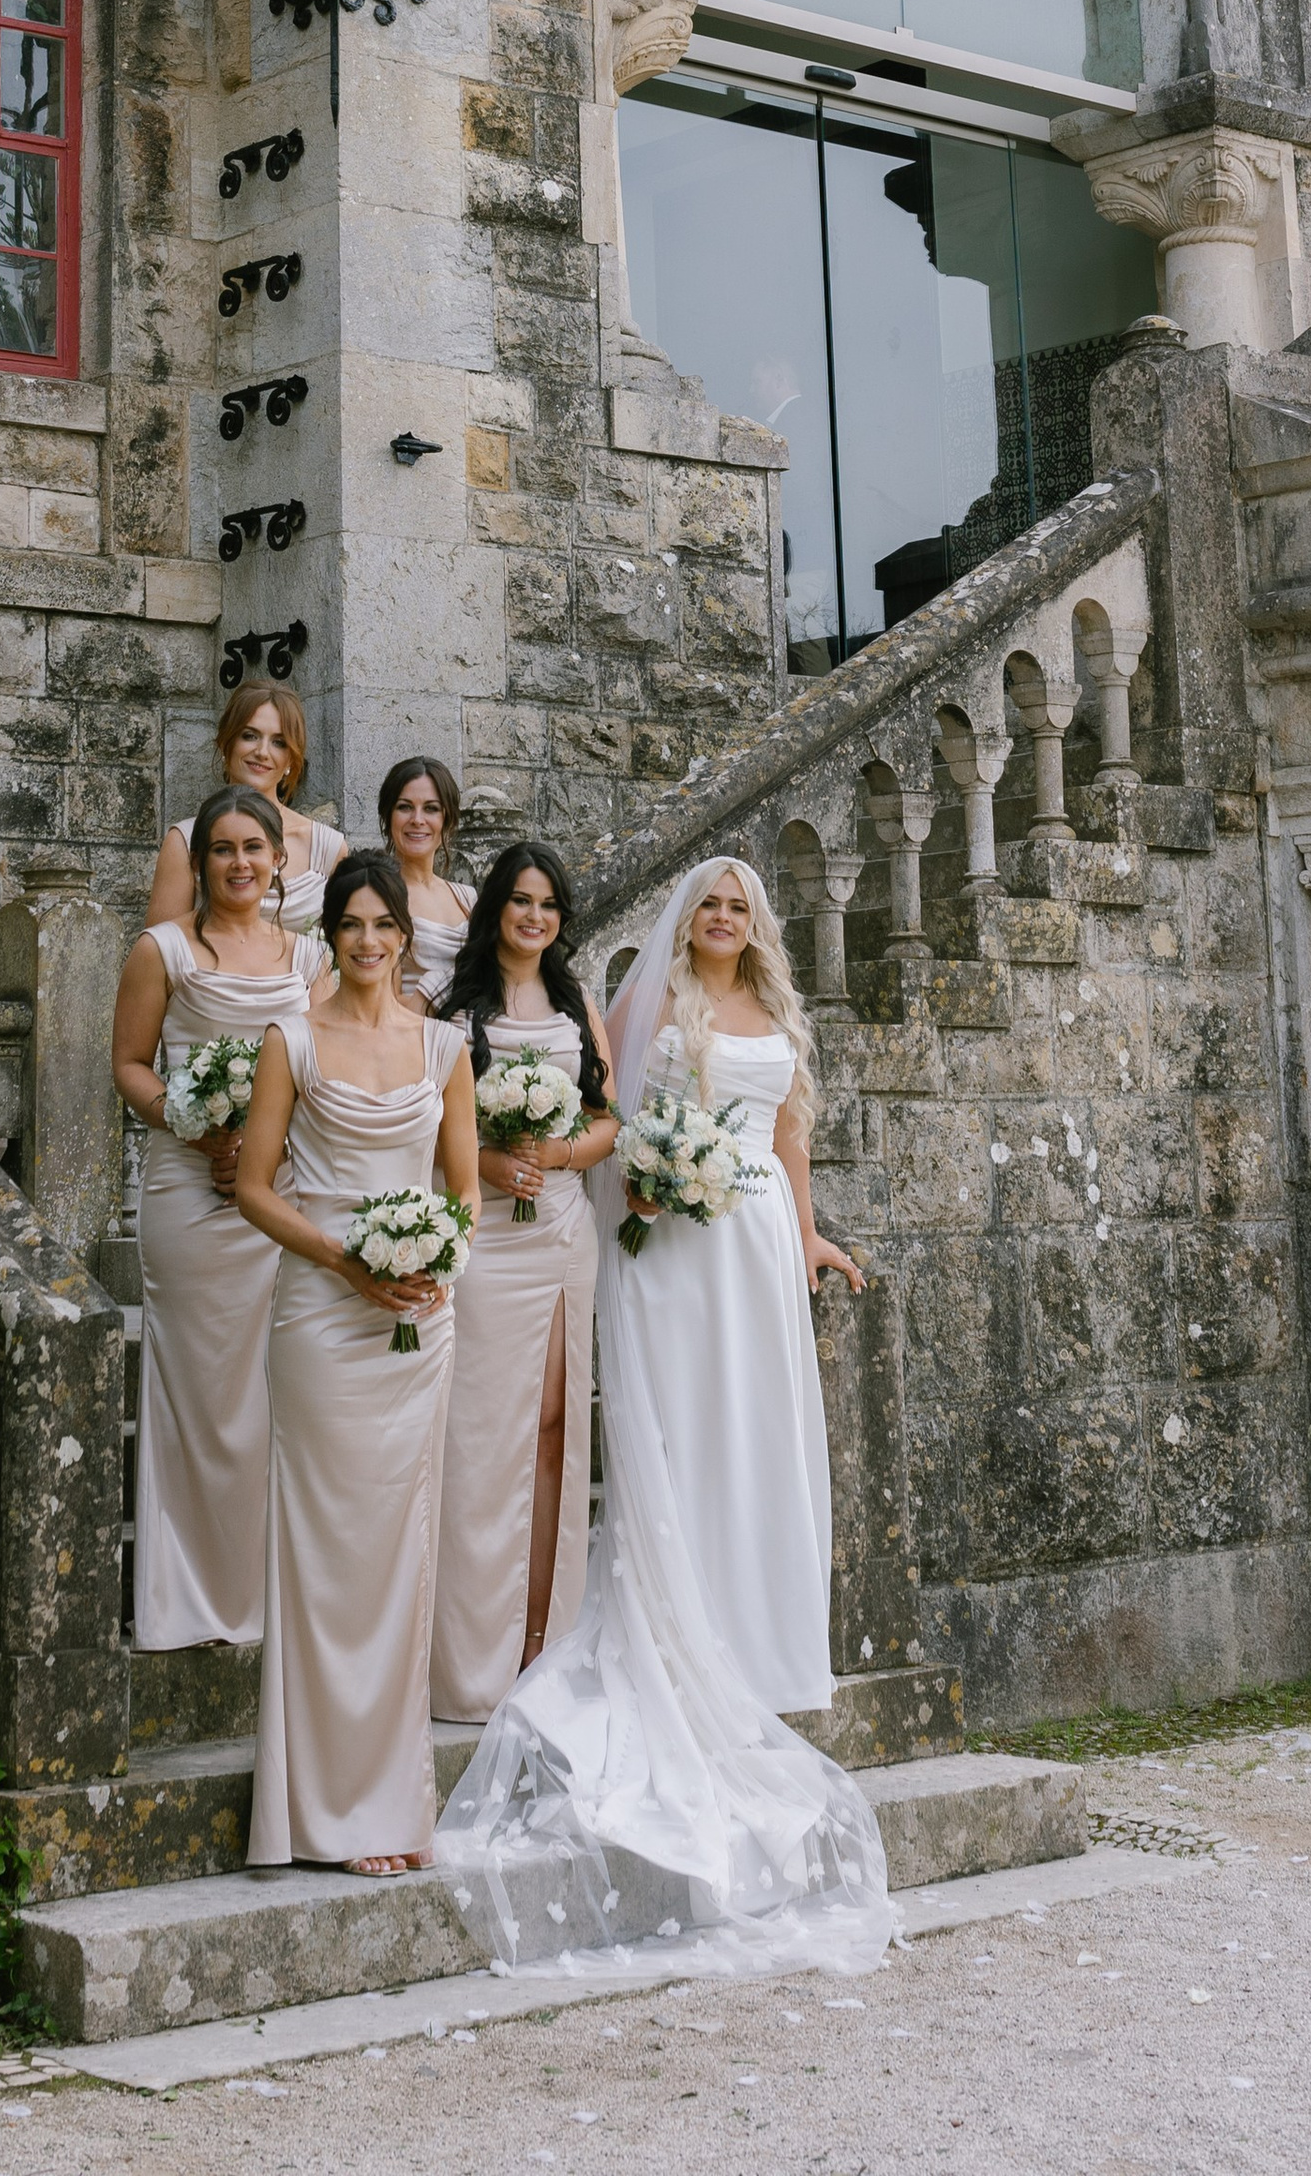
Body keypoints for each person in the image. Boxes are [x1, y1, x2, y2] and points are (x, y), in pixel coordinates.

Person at [436, 856, 890, 1980]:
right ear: (687, 922)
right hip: (674, 1249)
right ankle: (680, 1633)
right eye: (710, 907)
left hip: (755, 1255)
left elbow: (786, 1143)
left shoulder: (775, 1010)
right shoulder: (651, 999)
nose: (725, 919)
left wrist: (813, 1235)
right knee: (680, 1444)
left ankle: (756, 1635)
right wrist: (645, 1183)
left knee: (755, 1445)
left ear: (756, 922)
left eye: (740, 906)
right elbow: (619, 1123)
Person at [234, 848, 479, 1875]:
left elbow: (462, 1195)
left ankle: (388, 1805)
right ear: (329, 936)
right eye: (353, 926)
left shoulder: (443, 1049)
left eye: (386, 926)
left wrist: (427, 1264)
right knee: (325, 1552)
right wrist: (343, 1257)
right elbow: (254, 1187)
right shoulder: (290, 1039)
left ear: (404, 938)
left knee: (398, 1553)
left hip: (414, 1321)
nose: (372, 942)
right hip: (319, 1315)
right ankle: (321, 1811)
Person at [110, 788, 324, 1651]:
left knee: (276, 1392)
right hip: (189, 1196)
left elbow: (329, 1068)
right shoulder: (162, 950)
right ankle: (188, 1598)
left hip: (280, 1197)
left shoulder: (312, 961)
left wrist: (269, 1145)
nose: (240, 864)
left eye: (254, 849)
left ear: (280, 861)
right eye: (223, 850)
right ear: (199, 864)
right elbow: (129, 1065)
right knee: (199, 1390)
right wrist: (196, 1127)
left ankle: (268, 1596)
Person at [429, 842, 617, 1721]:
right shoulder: (456, 1009)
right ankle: (474, 1649)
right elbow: (428, 1122)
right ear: (495, 910)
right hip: (489, 1240)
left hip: (563, 1230)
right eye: (519, 902)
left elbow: (607, 1119)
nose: (534, 917)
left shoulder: (577, 1003)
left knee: (553, 1428)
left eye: (548, 905)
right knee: (480, 1438)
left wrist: (562, 1153)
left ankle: (546, 1637)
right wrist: (494, 1164)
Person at [146, 684, 345, 933]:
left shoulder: (327, 848)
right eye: (249, 735)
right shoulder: (184, 842)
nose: (262, 752)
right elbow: (160, 954)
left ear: (291, 760)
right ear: (226, 743)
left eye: (279, 742)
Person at [379, 752, 472, 1003]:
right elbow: (384, 1006)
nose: (417, 820)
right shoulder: (381, 895)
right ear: (388, 817)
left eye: (430, 809)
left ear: (447, 819)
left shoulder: (467, 897)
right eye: (405, 807)